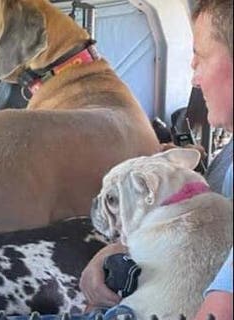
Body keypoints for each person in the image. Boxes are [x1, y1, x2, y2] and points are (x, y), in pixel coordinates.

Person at [79, 0, 233, 318]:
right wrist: (111, 253)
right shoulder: (228, 159)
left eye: (200, 58)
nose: (194, 79)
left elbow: (220, 308)